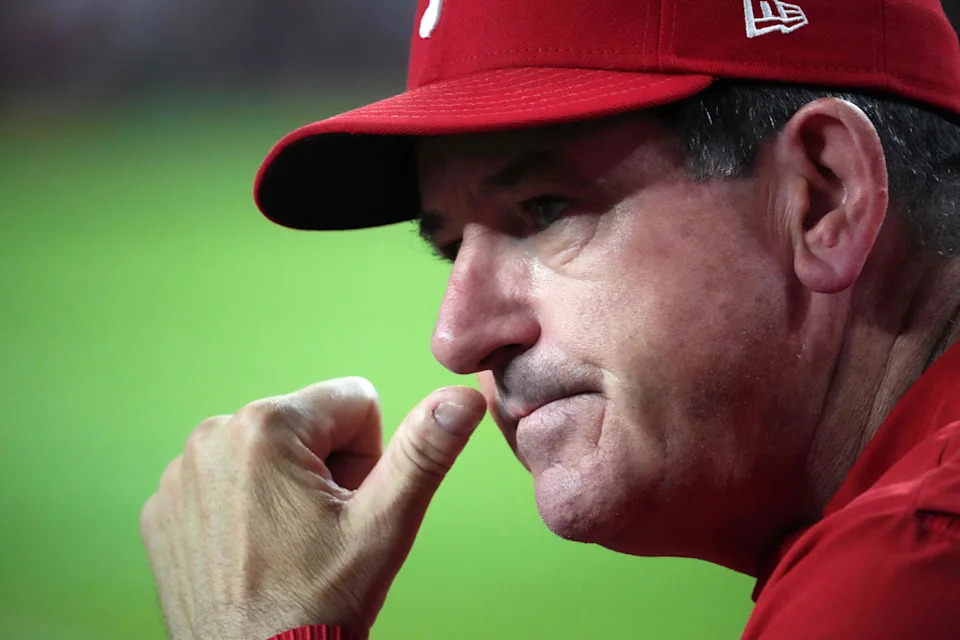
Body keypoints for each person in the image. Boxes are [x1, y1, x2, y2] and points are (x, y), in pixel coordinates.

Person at [139, 0, 960, 638]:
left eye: (544, 209)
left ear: (823, 198)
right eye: (451, 245)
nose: (456, 339)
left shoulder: (912, 571)